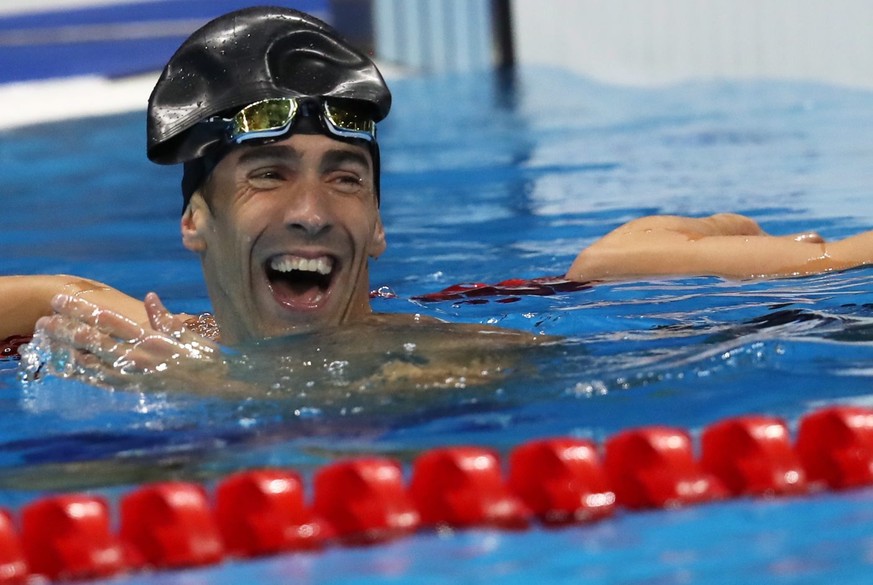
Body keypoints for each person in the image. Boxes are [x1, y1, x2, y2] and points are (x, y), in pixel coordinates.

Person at [3, 7, 872, 388]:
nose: (312, 208)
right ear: (195, 219)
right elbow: (45, 296)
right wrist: (65, 298)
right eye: (269, 174)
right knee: (607, 256)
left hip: (635, 292)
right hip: (587, 275)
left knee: (628, 262)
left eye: (344, 177)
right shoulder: (152, 342)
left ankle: (710, 233)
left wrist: (197, 385)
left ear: (376, 226)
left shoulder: (446, 360)